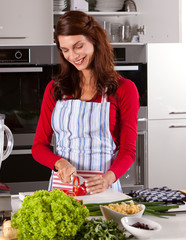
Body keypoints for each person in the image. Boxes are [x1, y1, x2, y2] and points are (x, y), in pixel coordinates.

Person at [32, 10, 139, 194]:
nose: (73, 56)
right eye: (65, 50)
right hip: (61, 192)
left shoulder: (123, 89)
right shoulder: (55, 89)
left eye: (78, 46)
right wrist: (59, 163)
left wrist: (109, 178)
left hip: (104, 190)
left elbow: (128, 150)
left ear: (94, 41)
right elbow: (39, 146)